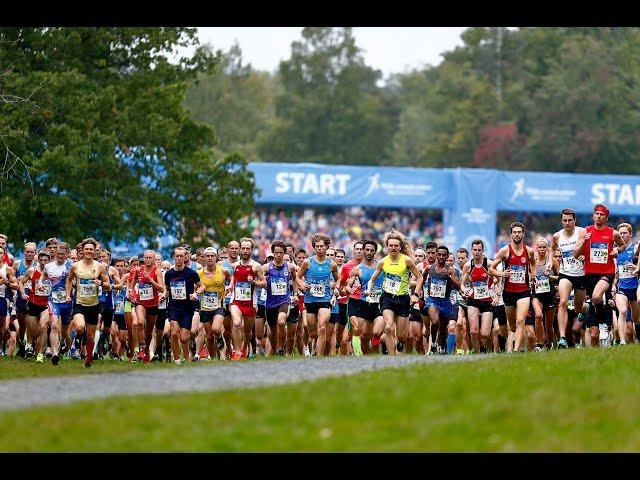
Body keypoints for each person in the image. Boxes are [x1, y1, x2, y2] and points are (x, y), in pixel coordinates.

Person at [574, 204, 625, 348]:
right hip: (589, 274)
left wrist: (617, 250)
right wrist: (584, 241)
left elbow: (622, 246)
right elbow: (575, 254)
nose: (599, 216)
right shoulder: (586, 231)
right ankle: (599, 325)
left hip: (607, 272)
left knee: (596, 297)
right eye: (596, 214)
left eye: (602, 214)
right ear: (593, 216)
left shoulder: (612, 233)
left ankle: (603, 324)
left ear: (606, 217)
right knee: (594, 331)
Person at [365, 229, 422, 355]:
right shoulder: (383, 261)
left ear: (400, 247)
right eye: (391, 245)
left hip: (403, 299)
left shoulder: (407, 260)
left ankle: (399, 342)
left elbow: (420, 278)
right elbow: (372, 279)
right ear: (387, 246)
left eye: (396, 245)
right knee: (389, 327)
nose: (393, 248)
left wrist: (415, 295)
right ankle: (392, 358)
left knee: (402, 336)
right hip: (387, 298)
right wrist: (369, 289)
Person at [489, 222, 536, 353]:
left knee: (521, 320)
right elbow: (491, 270)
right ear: (511, 234)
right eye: (514, 232)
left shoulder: (529, 251)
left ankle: (516, 350)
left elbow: (533, 263)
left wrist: (533, 275)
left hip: (524, 292)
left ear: (523, 234)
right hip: (508, 292)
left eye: (519, 232)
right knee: (512, 327)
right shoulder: (505, 251)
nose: (517, 234)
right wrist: (502, 274)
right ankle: (518, 342)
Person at [65, 238, 111, 368]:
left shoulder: (100, 267)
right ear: (83, 250)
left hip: (94, 305)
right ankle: (79, 337)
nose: (89, 251)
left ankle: (88, 357)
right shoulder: (75, 266)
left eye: (91, 249)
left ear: (94, 251)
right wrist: (68, 295)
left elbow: (108, 285)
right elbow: (69, 280)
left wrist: (101, 283)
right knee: (79, 326)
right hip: (79, 303)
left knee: (91, 336)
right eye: (87, 249)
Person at [296, 233, 340, 357]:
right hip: (310, 300)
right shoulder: (307, 262)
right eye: (317, 246)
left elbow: (338, 279)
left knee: (322, 327)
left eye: (322, 246)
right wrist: (302, 285)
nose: (319, 249)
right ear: (314, 247)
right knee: (313, 333)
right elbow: (298, 277)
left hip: (325, 299)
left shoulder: (332, 264)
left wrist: (336, 288)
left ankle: (319, 357)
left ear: (326, 247)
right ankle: (312, 346)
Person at [550, 208, 587, 349]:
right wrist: (550, 261)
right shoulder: (557, 236)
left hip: (581, 275)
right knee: (563, 302)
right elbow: (552, 249)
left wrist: (583, 255)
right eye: (564, 220)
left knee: (578, 307)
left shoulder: (581, 232)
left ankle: (585, 310)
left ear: (575, 220)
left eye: (570, 220)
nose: (567, 223)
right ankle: (563, 338)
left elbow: (584, 248)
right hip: (565, 274)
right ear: (561, 221)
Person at [416, 245, 460, 355]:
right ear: (436, 255)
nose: (440, 257)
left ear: (447, 256)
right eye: (439, 254)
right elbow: (422, 278)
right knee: (435, 321)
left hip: (445, 301)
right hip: (432, 300)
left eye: (443, 255)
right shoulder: (429, 268)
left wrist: (449, 278)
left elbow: (458, 286)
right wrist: (419, 291)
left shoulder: (450, 270)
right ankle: (434, 344)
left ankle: (441, 345)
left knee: (444, 328)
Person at [229, 238, 266, 359]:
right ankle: (237, 351)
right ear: (240, 249)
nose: (245, 251)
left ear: (251, 250)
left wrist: (254, 282)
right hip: (236, 301)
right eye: (243, 248)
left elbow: (265, 284)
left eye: (247, 248)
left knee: (247, 331)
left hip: (251, 303)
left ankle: (244, 348)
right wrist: (230, 287)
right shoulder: (234, 266)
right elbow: (234, 279)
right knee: (236, 323)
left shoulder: (256, 266)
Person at [165, 246, 203, 363]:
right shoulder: (169, 274)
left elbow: (202, 286)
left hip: (187, 308)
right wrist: (163, 296)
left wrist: (196, 293)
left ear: (185, 257)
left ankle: (186, 360)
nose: (180, 258)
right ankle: (177, 360)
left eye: (182, 256)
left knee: (184, 338)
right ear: (174, 257)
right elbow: (167, 290)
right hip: (174, 307)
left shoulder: (191, 273)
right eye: (177, 256)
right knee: (175, 333)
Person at [461, 240, 499, 353]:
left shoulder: (489, 264)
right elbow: (462, 284)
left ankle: (486, 350)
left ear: (483, 251)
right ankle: (478, 355)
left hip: (488, 301)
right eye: (475, 250)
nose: (477, 252)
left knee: (485, 334)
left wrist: (496, 294)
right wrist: (465, 291)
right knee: (473, 331)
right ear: (471, 250)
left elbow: (499, 279)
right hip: (473, 300)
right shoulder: (468, 266)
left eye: (479, 250)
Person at [346, 240, 384, 353]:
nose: (369, 252)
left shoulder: (382, 266)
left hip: (379, 303)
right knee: (364, 336)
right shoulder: (357, 269)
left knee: (377, 332)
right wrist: (349, 289)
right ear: (363, 251)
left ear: (375, 252)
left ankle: (375, 345)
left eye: (372, 250)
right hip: (363, 303)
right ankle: (368, 358)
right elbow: (348, 285)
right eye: (367, 250)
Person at [39, 242, 73, 364]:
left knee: (65, 332)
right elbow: (43, 275)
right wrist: (40, 282)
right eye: (57, 254)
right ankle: (54, 353)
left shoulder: (71, 266)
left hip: (67, 302)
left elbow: (73, 282)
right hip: (53, 300)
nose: (59, 256)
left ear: (67, 254)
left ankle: (68, 348)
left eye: (62, 254)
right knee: (54, 325)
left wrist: (69, 294)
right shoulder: (49, 266)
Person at [195, 247, 231, 361]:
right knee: (209, 336)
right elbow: (194, 287)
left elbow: (232, 279)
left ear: (216, 257)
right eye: (207, 256)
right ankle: (213, 358)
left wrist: (230, 287)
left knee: (216, 329)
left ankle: (221, 342)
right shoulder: (199, 273)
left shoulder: (223, 271)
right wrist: (194, 293)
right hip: (205, 307)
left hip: (219, 305)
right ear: (204, 258)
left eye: (212, 256)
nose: (210, 258)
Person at [531, 237, 559, 351]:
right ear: (536, 248)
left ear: (547, 248)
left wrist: (551, 277)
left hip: (550, 294)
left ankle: (551, 344)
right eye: (539, 247)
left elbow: (561, 276)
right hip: (537, 294)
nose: (541, 249)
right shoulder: (532, 261)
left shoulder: (552, 261)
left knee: (549, 325)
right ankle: (539, 344)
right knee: (538, 316)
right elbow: (529, 276)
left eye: (544, 247)